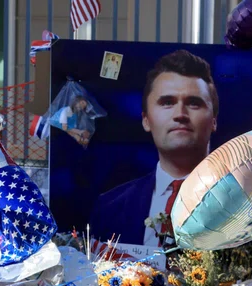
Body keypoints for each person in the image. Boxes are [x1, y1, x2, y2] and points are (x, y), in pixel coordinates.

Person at [89, 49, 219, 246]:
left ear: (214, 121)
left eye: (193, 103)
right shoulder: (109, 207)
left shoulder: (249, 205)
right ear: (146, 120)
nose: (180, 114)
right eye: (167, 102)